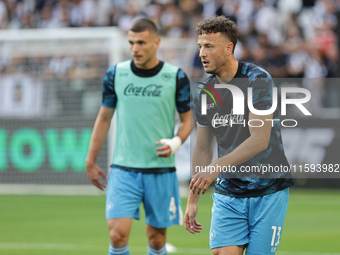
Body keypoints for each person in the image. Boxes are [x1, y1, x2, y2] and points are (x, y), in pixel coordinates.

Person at [184, 16, 294, 255]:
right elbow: (203, 148)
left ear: (228, 48)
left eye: (209, 46)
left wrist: (216, 167)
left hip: (268, 190)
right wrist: (192, 200)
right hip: (228, 190)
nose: (202, 53)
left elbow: (259, 139)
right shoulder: (205, 93)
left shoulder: (257, 79)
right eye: (200, 46)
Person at [85, 18, 191, 255]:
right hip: (124, 169)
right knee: (117, 234)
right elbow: (103, 118)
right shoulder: (115, 75)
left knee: (155, 239)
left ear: (156, 42)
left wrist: (175, 142)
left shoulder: (175, 77)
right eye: (132, 43)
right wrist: (90, 160)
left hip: (160, 170)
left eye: (141, 42)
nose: (135, 48)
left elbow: (187, 121)